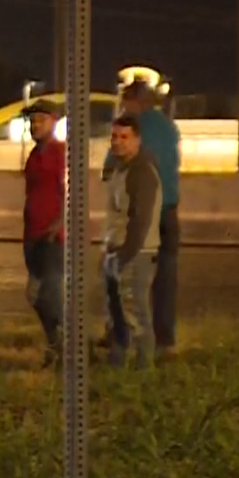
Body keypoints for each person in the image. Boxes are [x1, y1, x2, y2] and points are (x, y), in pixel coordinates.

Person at [103, 81, 182, 354]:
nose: (124, 106)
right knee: (165, 280)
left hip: (141, 213)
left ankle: (125, 341)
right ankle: (165, 340)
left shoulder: (132, 129)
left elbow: (110, 166)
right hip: (169, 210)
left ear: (136, 101)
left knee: (128, 285)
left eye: (126, 100)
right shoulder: (169, 127)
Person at [102, 115, 162, 369]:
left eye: (124, 137)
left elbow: (141, 220)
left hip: (135, 253)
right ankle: (119, 364)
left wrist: (124, 255)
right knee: (118, 314)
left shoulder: (141, 173)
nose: (117, 142)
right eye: (114, 137)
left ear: (137, 140)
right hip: (118, 250)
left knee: (135, 312)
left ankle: (143, 369)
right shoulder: (121, 169)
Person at [20, 99, 66, 365]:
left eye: (40, 120)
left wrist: (58, 225)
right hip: (32, 237)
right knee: (34, 295)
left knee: (50, 293)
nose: (35, 125)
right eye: (32, 121)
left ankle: (67, 348)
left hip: (52, 238)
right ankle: (56, 342)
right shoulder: (33, 157)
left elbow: (69, 192)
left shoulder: (61, 153)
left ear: (54, 121)